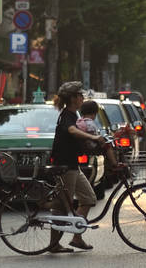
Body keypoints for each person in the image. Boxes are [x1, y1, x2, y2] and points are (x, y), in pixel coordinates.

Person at [49, 81, 106, 253]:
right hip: (64, 166)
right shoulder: (67, 115)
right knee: (60, 206)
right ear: (73, 98)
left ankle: (76, 236)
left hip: (73, 165)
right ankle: (54, 244)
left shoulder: (74, 115)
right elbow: (72, 131)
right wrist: (95, 139)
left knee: (89, 198)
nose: (82, 98)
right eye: (80, 95)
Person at [76, 100, 118, 166]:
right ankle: (113, 162)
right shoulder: (90, 123)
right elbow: (94, 136)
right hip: (91, 147)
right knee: (108, 145)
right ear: (95, 113)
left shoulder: (79, 121)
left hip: (82, 146)